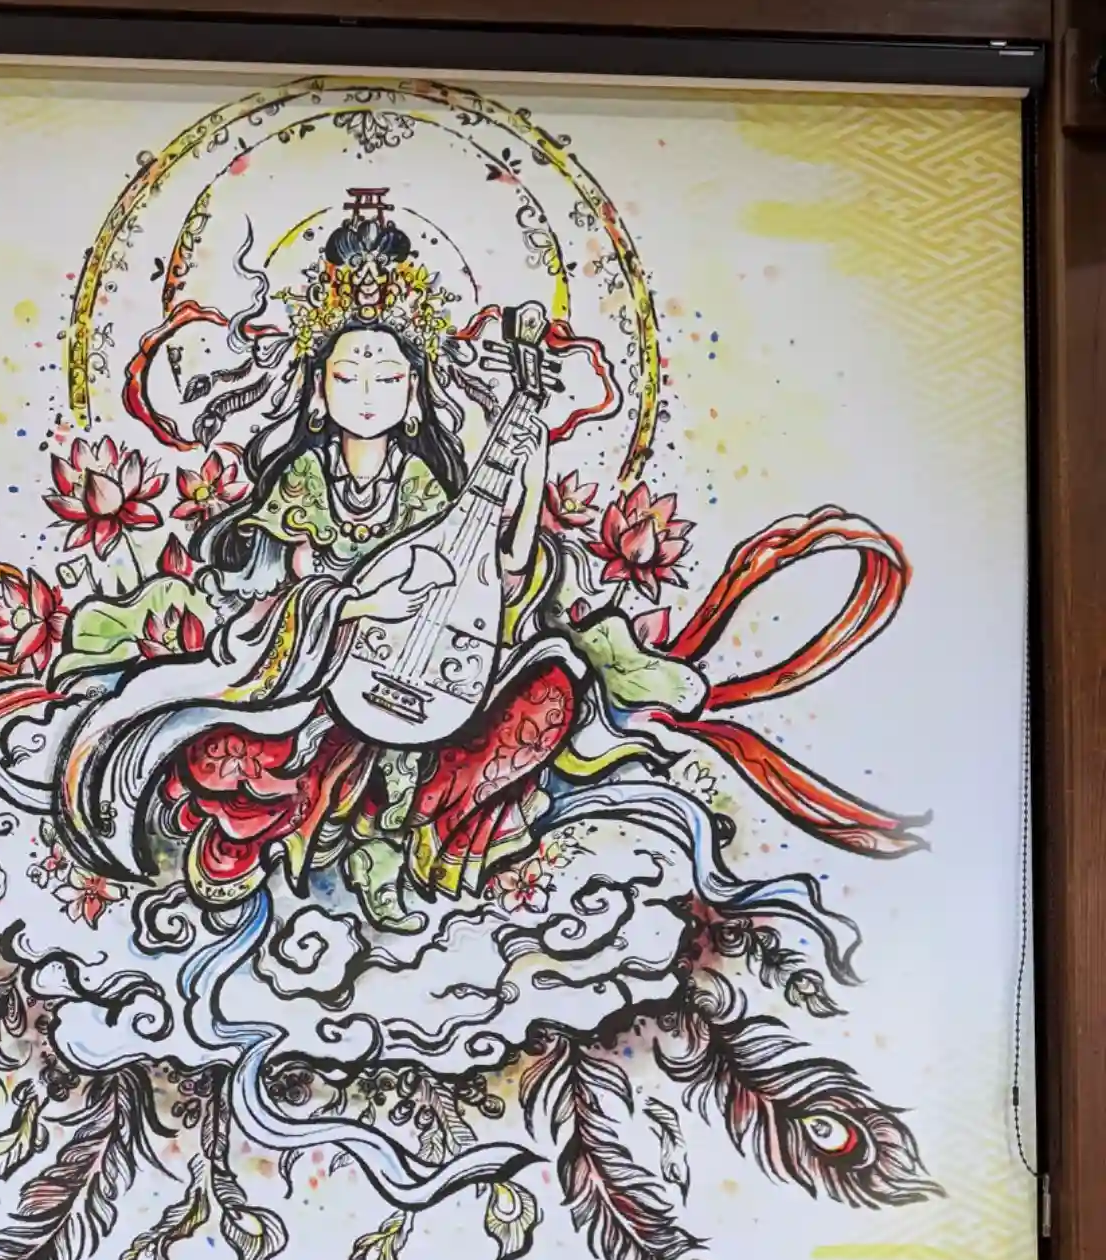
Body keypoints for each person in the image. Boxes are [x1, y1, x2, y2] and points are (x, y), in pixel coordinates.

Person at [52, 197, 704, 930]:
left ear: (415, 394)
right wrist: (357, 608)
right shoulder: (303, 477)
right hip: (316, 676)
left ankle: (406, 844)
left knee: (552, 693)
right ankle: (332, 839)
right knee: (240, 757)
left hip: (426, 674)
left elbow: (501, 567)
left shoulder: (424, 482)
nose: (368, 396)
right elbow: (271, 587)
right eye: (349, 377)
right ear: (319, 392)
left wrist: (531, 467)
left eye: (388, 379)